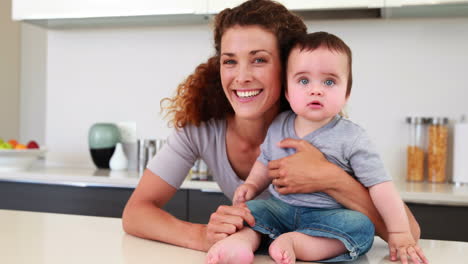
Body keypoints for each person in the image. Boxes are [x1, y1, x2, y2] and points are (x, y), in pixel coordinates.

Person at [122, 0, 420, 256]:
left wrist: (331, 179)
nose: (241, 77)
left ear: (289, 69)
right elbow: (136, 213)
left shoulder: (329, 134)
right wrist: (203, 236)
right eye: (230, 61)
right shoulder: (200, 132)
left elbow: (410, 231)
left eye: (259, 60)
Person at [206, 32, 429, 264]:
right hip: (280, 208)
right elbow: (265, 160)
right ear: (287, 92)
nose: (316, 90)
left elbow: (381, 188)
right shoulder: (279, 124)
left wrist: (400, 233)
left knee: (362, 227)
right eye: (303, 81)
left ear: (347, 93)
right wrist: (252, 184)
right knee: (252, 210)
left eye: (329, 81)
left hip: (328, 217)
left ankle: (296, 244)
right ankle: (241, 243)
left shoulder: (352, 137)